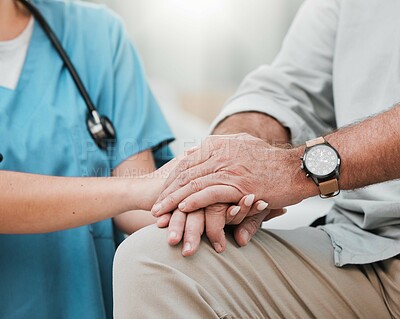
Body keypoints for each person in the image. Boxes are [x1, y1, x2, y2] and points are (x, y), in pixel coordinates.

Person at [113, 0, 400, 318]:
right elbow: (283, 92)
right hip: (363, 250)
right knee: (154, 262)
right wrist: (225, 167)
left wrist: (293, 170)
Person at [0, 0, 178, 317]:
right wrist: (134, 191)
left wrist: (209, 200)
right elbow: (138, 190)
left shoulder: (97, 34)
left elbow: (142, 207)